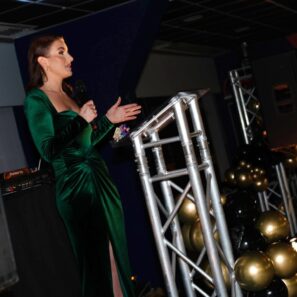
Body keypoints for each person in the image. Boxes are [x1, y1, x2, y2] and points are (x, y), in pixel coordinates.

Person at [24, 35, 141, 297]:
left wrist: (109, 120)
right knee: (96, 262)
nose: (70, 57)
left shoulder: (67, 94)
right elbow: (48, 150)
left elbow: (85, 144)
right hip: (76, 189)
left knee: (114, 256)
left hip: (99, 179)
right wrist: (80, 121)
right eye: (62, 52)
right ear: (43, 61)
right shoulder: (36, 100)